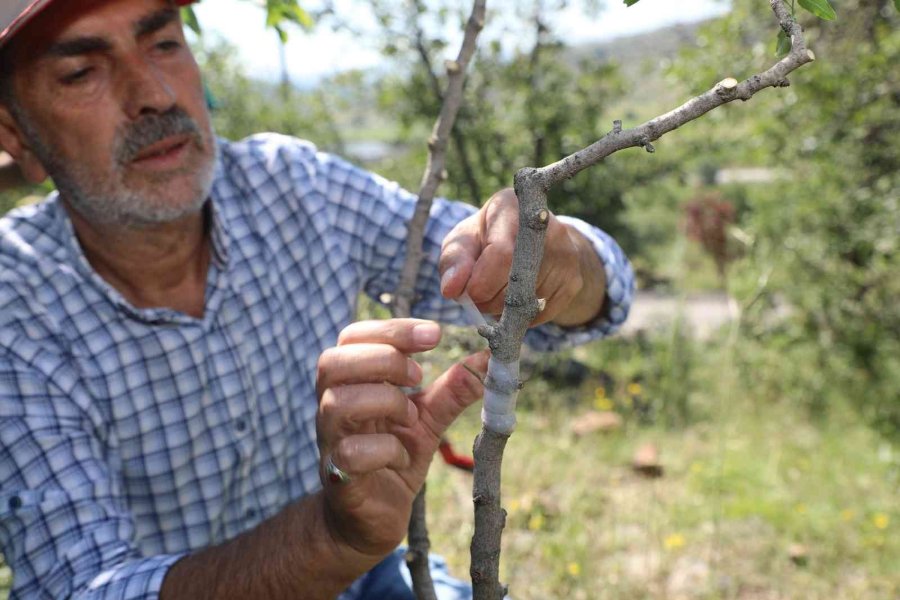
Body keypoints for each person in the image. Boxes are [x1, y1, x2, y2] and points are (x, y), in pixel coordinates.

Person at [0, 0, 634, 598]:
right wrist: (330, 538)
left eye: (164, 43)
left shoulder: (296, 189)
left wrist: (554, 258)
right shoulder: (15, 304)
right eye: (82, 71)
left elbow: (575, 302)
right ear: (17, 136)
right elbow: (79, 586)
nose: (156, 96)